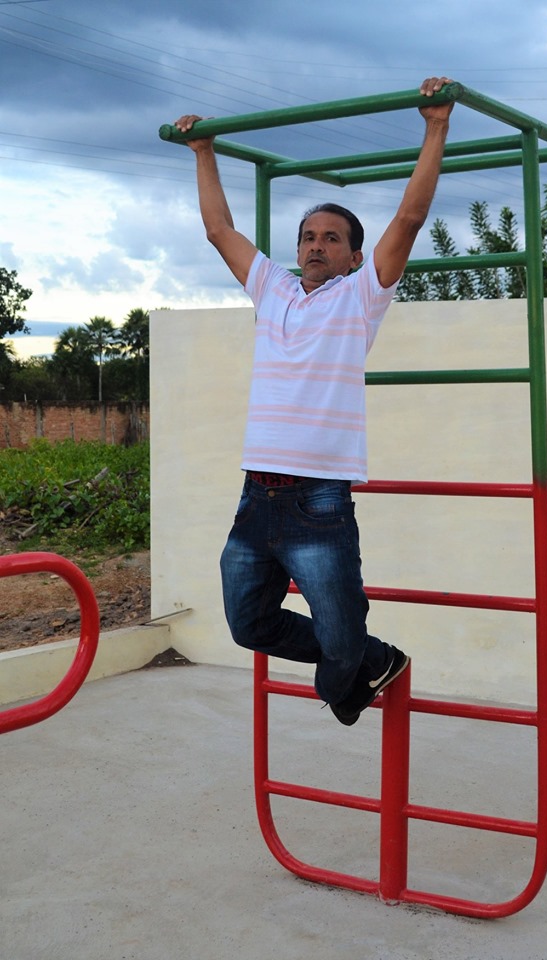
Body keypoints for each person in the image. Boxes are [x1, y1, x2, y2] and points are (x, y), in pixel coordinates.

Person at [174, 77, 453, 725]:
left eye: (331, 238)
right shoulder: (271, 288)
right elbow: (219, 229)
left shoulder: (361, 297)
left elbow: (409, 219)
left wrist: (434, 126)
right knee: (248, 624)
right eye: (307, 235)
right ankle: (373, 657)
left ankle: (355, 665)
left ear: (354, 256)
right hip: (255, 495)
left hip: (317, 498)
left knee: (335, 679)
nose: (315, 245)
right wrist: (203, 152)